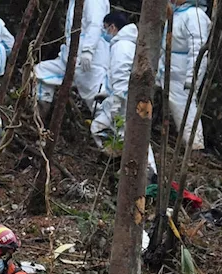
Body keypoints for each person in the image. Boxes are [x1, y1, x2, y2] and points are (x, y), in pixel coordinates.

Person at [90, 12, 157, 175]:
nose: (105, 32)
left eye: (106, 28)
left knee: (132, 137)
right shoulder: (126, 44)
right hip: (124, 98)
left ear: (113, 27)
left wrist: (116, 104)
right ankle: (119, 162)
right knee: (99, 128)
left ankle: (146, 174)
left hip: (125, 102)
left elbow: (121, 77)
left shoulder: (121, 46)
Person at [34, 0, 110, 112]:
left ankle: (109, 127)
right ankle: (39, 118)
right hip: (70, 58)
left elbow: (95, 24)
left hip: (90, 61)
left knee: (97, 104)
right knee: (41, 72)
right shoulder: (74, 2)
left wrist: (88, 50)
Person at [160, 0, 211, 150]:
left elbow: (198, 49)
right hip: (172, 70)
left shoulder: (195, 15)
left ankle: (195, 144)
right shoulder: (178, 13)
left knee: (184, 108)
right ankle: (189, 142)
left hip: (182, 73)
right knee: (177, 106)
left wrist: (192, 76)